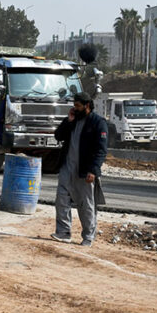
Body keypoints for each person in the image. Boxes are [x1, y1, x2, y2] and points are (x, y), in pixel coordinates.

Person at [51, 92, 108, 247]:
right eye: (74, 105)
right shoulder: (73, 120)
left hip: (84, 171)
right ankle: (63, 232)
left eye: (78, 106)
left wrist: (93, 170)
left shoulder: (98, 123)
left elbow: (101, 150)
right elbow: (58, 136)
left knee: (86, 205)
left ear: (87, 106)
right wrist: (68, 122)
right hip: (66, 168)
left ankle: (88, 236)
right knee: (61, 200)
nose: (75, 108)